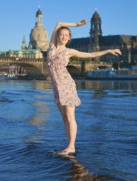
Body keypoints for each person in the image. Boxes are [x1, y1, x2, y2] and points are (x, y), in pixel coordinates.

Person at [47, 19, 121, 155]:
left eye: (67, 35)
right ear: (58, 35)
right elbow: (58, 23)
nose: (64, 37)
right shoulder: (51, 46)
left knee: (70, 117)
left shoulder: (69, 51)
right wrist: (76, 25)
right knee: (64, 118)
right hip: (56, 87)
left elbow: (91, 54)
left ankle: (71, 146)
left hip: (66, 85)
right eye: (62, 34)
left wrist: (108, 50)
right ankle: (68, 145)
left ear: (69, 38)